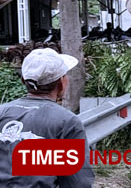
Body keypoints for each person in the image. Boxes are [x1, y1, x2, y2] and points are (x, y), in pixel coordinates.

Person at [0, 48, 94, 187]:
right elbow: (77, 182)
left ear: (23, 80)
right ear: (61, 82)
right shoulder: (66, 122)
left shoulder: (2, 112)